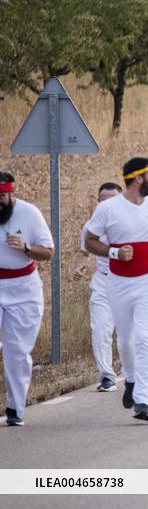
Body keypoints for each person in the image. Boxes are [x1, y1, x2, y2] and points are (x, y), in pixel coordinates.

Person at [84, 158, 148, 421]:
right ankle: (131, 380)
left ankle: (143, 401)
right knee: (125, 340)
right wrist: (114, 252)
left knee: (144, 336)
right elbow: (89, 241)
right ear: (138, 178)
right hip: (119, 282)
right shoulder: (108, 209)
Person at [0, 172, 55, 426]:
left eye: (2, 196)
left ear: (11, 193)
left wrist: (25, 249)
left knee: (17, 351)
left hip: (23, 288)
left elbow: (48, 252)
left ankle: (15, 408)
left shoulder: (29, 213)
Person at [71, 182, 123, 392]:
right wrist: (78, 268)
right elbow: (84, 253)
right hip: (103, 283)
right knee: (100, 329)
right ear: (99, 203)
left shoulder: (135, 223)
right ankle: (107, 375)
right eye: (104, 201)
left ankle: (135, 373)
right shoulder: (91, 226)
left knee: (130, 337)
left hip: (131, 284)